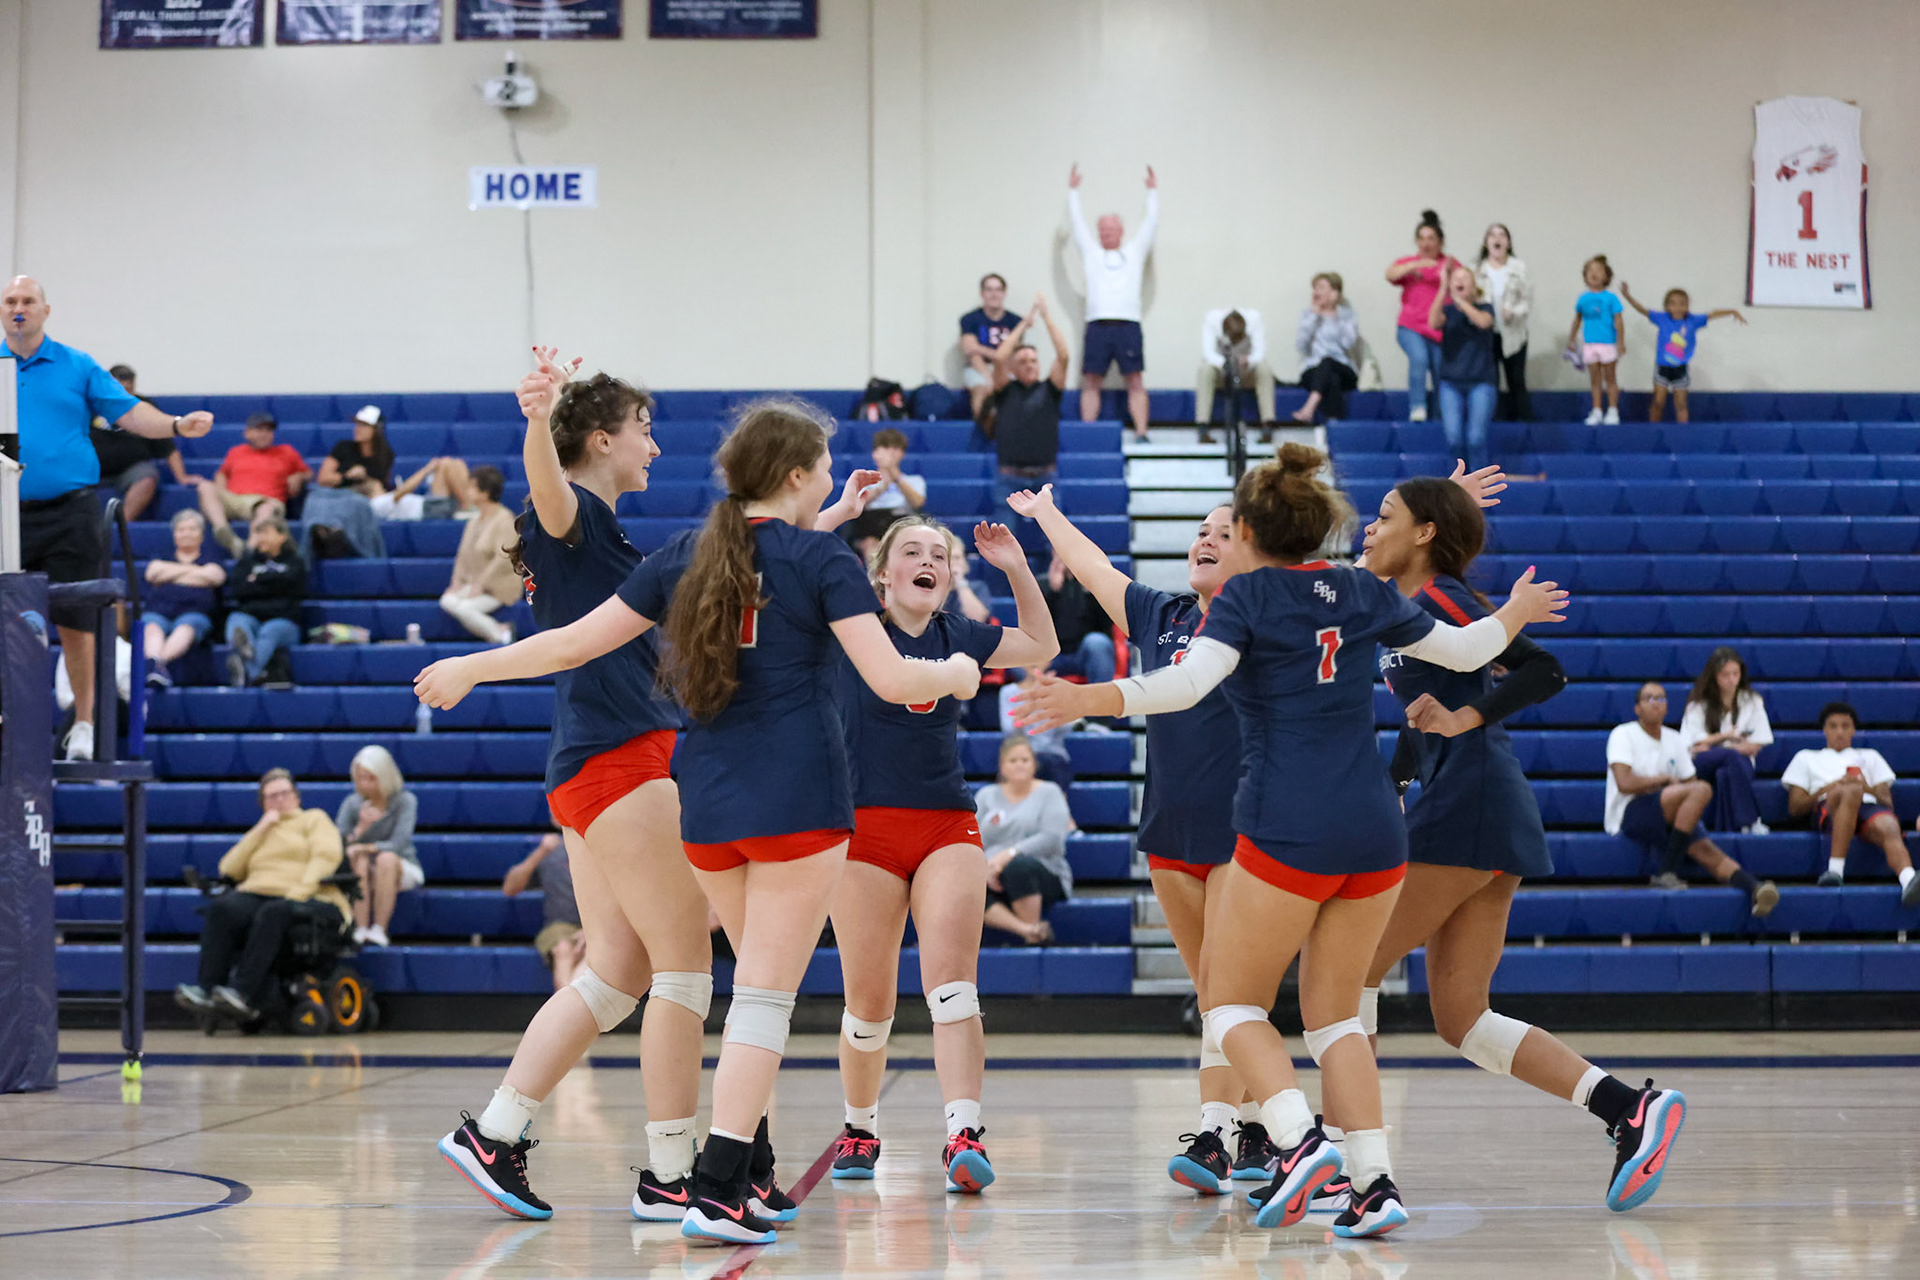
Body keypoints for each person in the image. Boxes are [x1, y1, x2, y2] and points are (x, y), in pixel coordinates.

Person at [416, 395, 980, 1247]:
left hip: (703, 801)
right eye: (822, 469)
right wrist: (965, 670)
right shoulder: (805, 558)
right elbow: (895, 678)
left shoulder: (690, 553)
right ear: (795, 474)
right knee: (734, 991)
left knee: (633, 975)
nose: (829, 477)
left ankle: (582, 1144)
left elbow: (576, 640)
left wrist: (471, 664)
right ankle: (697, 1177)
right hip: (761, 792)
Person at [1012, 443, 1569, 1238]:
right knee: (1337, 1018)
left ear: (1246, 529)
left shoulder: (1247, 602)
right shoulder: (1359, 589)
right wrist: (1512, 612)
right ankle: (1373, 1185)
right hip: (1376, 835)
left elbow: (1182, 684)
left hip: (1286, 828)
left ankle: (1298, 1139)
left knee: (1231, 1002)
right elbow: (1469, 648)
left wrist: (1086, 698)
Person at [420, 354, 716, 1228]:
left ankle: (497, 1131)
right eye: (644, 429)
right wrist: (535, 419)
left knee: (617, 976)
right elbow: (548, 491)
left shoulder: (606, 537)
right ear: (602, 439)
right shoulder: (575, 515)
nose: (655, 447)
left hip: (590, 764)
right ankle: (670, 1175)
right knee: (685, 967)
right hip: (621, 761)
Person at [1352, 475, 1690, 1217]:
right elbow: (1423, 713)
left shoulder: (1440, 599)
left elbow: (1544, 668)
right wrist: (1402, 772)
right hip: (1477, 803)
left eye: (1382, 518)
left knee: (1348, 975)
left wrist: (1465, 721)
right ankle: (1626, 1109)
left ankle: (1357, 1170)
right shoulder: (1402, 607)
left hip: (1470, 801)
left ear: (1424, 535)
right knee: (1462, 1018)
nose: (1366, 530)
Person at [1008, 484, 1277, 1192]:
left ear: (1256, 548)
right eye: (1201, 529)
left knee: (1226, 994)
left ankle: (1218, 1139)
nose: (1206, 539)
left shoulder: (1268, 621)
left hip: (1244, 831)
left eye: (1225, 531)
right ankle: (1252, 1131)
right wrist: (1046, 516)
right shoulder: (1164, 612)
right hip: (1169, 827)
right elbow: (1094, 568)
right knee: (1216, 995)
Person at [826, 516, 1057, 1193]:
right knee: (867, 1005)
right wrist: (837, 514)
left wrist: (1015, 566)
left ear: (951, 578)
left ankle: (963, 1133)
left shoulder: (960, 634)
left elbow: (1043, 642)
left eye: (940, 555)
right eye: (912, 551)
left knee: (953, 988)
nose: (928, 561)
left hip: (945, 825)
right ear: (882, 572)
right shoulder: (851, 626)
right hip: (862, 829)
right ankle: (860, 1126)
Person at [3, 275, 213, 760]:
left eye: (28, 301)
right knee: (9, 621)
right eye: (10, 300)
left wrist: (177, 424)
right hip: (4, 512)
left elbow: (130, 413)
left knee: (78, 619)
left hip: (70, 512)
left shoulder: (76, 365)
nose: (19, 308)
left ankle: (83, 721)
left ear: (45, 311)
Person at [172, 769, 348, 1024]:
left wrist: (299, 891)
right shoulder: (263, 830)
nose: (279, 800)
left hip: (307, 895)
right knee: (222, 909)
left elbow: (326, 857)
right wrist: (261, 828)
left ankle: (244, 993)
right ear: (263, 803)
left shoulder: (314, 819)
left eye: (284, 794)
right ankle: (209, 990)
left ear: (296, 797)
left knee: (273, 912)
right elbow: (229, 868)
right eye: (271, 797)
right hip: (258, 894)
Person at [1603, 682, 1780, 914]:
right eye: (1650, 698)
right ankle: (1667, 869)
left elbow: (1689, 784)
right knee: (1702, 790)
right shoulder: (1623, 734)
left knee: (1707, 850)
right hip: (1631, 812)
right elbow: (1625, 784)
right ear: (1637, 708)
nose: (1656, 704)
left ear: (1667, 707)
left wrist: (1678, 793)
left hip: (1673, 813)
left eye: (1661, 699)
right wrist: (1664, 779)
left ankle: (1754, 888)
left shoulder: (1674, 739)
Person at [1783, 703, 1917, 906]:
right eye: (1834, 726)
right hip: (1830, 807)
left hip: (1867, 806)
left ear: (1854, 730)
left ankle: (1908, 879)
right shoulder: (1806, 757)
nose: (1840, 732)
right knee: (1849, 790)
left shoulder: (1870, 755)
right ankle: (1835, 869)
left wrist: (1865, 786)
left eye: (1846, 726)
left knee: (1889, 826)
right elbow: (1795, 807)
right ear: (1824, 730)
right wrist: (1832, 786)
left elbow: (1887, 801)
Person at [1067, 164, 1158, 440]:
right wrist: (1072, 191)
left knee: (1135, 380)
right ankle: (1088, 433)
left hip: (1128, 324)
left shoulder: (1134, 252)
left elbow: (1151, 223)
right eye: (1102, 229)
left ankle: (1141, 432)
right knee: (1091, 381)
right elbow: (1077, 224)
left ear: (1120, 230)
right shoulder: (1092, 254)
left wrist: (1152, 192)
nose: (1106, 233)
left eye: (1111, 228)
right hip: (1097, 324)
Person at [974, 735, 1074, 946]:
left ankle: (1032, 940)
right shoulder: (985, 796)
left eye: (1025, 760)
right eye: (1013, 761)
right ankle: (1029, 931)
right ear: (1002, 767)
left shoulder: (1050, 792)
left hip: (1044, 871)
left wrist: (1008, 855)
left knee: (1019, 867)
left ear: (1034, 765)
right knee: (964, 885)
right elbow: (972, 838)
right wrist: (985, 866)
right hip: (991, 874)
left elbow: (1052, 840)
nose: (1019, 765)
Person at [985, 295, 1072, 525]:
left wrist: (1047, 318)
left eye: (1034, 360)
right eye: (1023, 361)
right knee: (1003, 537)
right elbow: (1000, 357)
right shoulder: (1006, 390)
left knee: (1059, 541)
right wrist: (1024, 323)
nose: (1030, 365)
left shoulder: (1050, 389)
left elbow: (1063, 356)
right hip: (1009, 477)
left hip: (1046, 477)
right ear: (1014, 368)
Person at [1619, 283, 1748, 423]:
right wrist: (1627, 295)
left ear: (1687, 306)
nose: (1678, 308)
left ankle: (1683, 432)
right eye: (1673, 304)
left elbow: (1713, 314)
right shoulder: (1662, 318)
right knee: (1658, 402)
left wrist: (1732, 311)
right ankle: (1653, 429)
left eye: (1682, 304)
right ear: (1667, 306)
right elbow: (1642, 310)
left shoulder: (1693, 320)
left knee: (1681, 404)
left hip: (1681, 369)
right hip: (1662, 368)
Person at [1678, 648, 1773, 833]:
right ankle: (1751, 820)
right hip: (1703, 764)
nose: (1732, 680)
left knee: (1725, 774)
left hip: (1740, 763)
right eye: (1725, 675)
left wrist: (1714, 746)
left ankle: (1729, 831)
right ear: (1714, 677)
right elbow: (1693, 747)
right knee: (1730, 757)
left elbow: (1755, 746)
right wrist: (1726, 737)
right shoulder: (1698, 705)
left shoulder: (1752, 702)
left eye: (1735, 674)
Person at [90, 365, 202, 520]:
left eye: (129, 389)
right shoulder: (92, 403)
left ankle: (118, 526)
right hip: (92, 467)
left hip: (131, 468)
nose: (125, 393)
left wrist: (182, 476)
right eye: (120, 388)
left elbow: (167, 446)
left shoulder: (143, 408)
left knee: (148, 477)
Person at [337, 745, 421, 948]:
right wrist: (362, 827)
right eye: (360, 778)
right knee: (360, 859)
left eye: (371, 778)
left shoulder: (405, 801)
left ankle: (380, 929)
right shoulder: (352, 803)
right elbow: (339, 844)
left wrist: (365, 847)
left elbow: (398, 844)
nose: (365, 784)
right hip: (362, 867)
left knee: (386, 858)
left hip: (400, 865)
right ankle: (361, 927)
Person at [200, 412, 309, 554]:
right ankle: (224, 532)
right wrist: (221, 486)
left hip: (267, 500)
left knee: (266, 509)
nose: (264, 434)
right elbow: (222, 473)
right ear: (247, 433)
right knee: (205, 486)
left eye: (268, 430)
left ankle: (249, 551)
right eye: (259, 430)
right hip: (235, 500)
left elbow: (308, 473)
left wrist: (298, 476)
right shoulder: (236, 452)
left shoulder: (286, 451)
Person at [141, 509, 226, 688]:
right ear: (174, 534)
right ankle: (157, 666)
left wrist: (170, 574)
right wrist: (196, 573)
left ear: (202, 535)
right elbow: (152, 573)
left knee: (186, 627)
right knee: (151, 626)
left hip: (195, 612)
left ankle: (158, 665)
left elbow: (216, 577)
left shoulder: (211, 557)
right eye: (181, 529)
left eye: (192, 529)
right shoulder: (162, 555)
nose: (186, 533)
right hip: (159, 610)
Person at [223, 508, 307, 689]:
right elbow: (240, 590)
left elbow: (293, 587)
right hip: (253, 617)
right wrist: (275, 582)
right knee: (237, 621)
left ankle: (246, 669)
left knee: (269, 631)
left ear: (282, 536)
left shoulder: (295, 561)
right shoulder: (247, 562)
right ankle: (248, 658)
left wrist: (259, 579)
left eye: (266, 533)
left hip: (285, 622)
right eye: (257, 533)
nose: (260, 538)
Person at [438, 466, 520, 645]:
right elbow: (462, 555)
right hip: (474, 582)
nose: (467, 491)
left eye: (472, 487)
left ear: (485, 492)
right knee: (448, 600)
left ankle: (501, 636)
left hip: (498, 586)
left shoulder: (505, 519)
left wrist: (481, 584)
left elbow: (502, 558)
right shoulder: (473, 520)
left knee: (466, 609)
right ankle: (499, 629)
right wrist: (456, 581)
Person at [1428, 264, 1499, 469]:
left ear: (1474, 285)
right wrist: (1442, 290)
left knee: (1476, 439)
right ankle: (1457, 491)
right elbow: (1433, 322)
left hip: (1481, 382)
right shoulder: (1448, 312)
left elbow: (1483, 323)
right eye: (1456, 278)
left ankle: (1480, 491)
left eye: (1465, 278)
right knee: (1454, 440)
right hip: (1451, 382)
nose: (1459, 282)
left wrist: (1462, 301)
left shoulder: (1485, 307)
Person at [1384, 211, 1452, 422]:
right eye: (1421, 238)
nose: (1426, 243)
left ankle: (1442, 414)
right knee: (1419, 358)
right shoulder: (1409, 263)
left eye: (1431, 238)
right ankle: (1417, 407)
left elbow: (1465, 284)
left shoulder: (1449, 264)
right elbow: (1390, 274)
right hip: (1410, 327)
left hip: (1439, 329)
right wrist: (1415, 265)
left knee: (1441, 368)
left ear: (1440, 242)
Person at [503, 833, 586, 990]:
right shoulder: (550, 851)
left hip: (597, 924)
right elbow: (510, 888)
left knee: (592, 957)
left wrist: (592, 931)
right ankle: (568, 1007)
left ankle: (570, 1009)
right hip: (559, 926)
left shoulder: (595, 847)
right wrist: (540, 852)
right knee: (563, 949)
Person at [1475, 224, 1534, 422]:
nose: (1497, 239)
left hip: (1514, 334)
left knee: (1516, 381)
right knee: (1489, 382)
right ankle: (1491, 424)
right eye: (1492, 235)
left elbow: (1527, 300)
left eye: (1502, 235)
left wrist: (1514, 313)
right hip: (1486, 335)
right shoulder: (1476, 269)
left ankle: (1523, 427)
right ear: (1486, 242)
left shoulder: (1519, 268)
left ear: (1508, 242)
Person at [1195, 309, 1275, 444]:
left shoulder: (1254, 320)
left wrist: (1248, 360)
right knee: (1205, 370)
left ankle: (1268, 425)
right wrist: (1226, 363)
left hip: (1245, 370)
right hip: (1222, 371)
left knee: (1264, 369)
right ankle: (1203, 427)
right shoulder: (1211, 321)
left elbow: (1260, 353)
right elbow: (1208, 354)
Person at [1291, 275, 1361, 429]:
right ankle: (1334, 425)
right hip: (1313, 370)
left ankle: (1309, 407)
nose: (1316, 292)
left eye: (1321, 288)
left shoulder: (1347, 316)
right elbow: (1301, 347)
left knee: (1328, 362)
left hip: (1343, 369)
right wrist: (1314, 317)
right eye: (1315, 288)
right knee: (1331, 379)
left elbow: (1348, 344)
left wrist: (1337, 318)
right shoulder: (1308, 315)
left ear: (1334, 292)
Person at [843, 428, 927, 555]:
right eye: (885, 448)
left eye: (894, 449)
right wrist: (882, 487)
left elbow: (917, 502)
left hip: (902, 524)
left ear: (901, 453)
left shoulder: (915, 480)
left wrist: (894, 475)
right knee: (872, 548)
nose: (890, 454)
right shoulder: (865, 480)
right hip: (871, 527)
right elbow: (856, 506)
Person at [1040, 552, 1115, 686]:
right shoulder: (1042, 584)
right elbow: (1037, 625)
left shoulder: (1095, 586)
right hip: (1053, 657)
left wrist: (1092, 594)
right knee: (1015, 654)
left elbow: (1107, 627)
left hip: (1085, 654)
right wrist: (1053, 593)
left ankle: (1100, 700)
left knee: (1097, 642)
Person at [1567, 256, 1626, 426]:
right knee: (1595, 379)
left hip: (1607, 343)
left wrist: (1620, 342)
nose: (1594, 274)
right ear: (1585, 275)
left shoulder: (1611, 298)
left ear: (1606, 276)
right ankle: (1597, 410)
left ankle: (1613, 410)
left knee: (1610, 378)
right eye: (1590, 271)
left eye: (1599, 270)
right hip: (1590, 344)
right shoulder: (1583, 299)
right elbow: (1577, 320)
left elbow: (1619, 321)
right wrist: (1571, 339)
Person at [959, 274, 1023, 419]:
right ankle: (983, 431)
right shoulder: (970, 319)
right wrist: (989, 378)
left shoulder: (1015, 321)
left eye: (998, 290)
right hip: (978, 368)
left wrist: (982, 349)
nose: (994, 294)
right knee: (981, 389)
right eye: (989, 289)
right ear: (982, 293)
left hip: (1007, 368)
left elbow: (1015, 353)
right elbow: (970, 350)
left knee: (1016, 390)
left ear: (1004, 293)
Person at [315, 405, 397, 491]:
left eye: (364, 425)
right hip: (341, 494)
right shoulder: (343, 447)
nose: (358, 429)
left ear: (377, 430)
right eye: (357, 424)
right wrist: (347, 475)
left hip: (369, 497)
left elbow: (382, 483)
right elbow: (323, 478)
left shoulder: (385, 454)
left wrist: (366, 478)